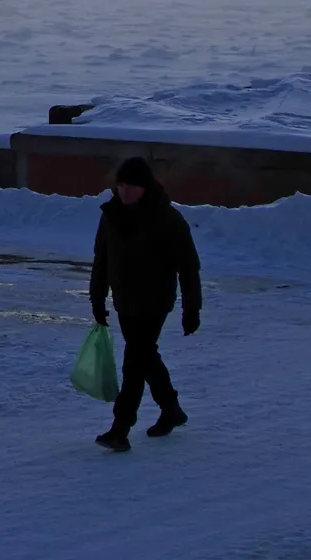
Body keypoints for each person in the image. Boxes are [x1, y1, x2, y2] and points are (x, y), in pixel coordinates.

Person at [89, 156, 202, 452]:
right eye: (121, 185)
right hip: (125, 300)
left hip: (154, 301)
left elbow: (189, 267)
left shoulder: (167, 219)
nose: (125, 192)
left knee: (134, 362)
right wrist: (97, 297)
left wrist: (192, 309)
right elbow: (101, 259)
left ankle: (120, 428)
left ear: (146, 187)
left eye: (132, 187)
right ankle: (171, 408)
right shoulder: (111, 214)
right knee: (145, 356)